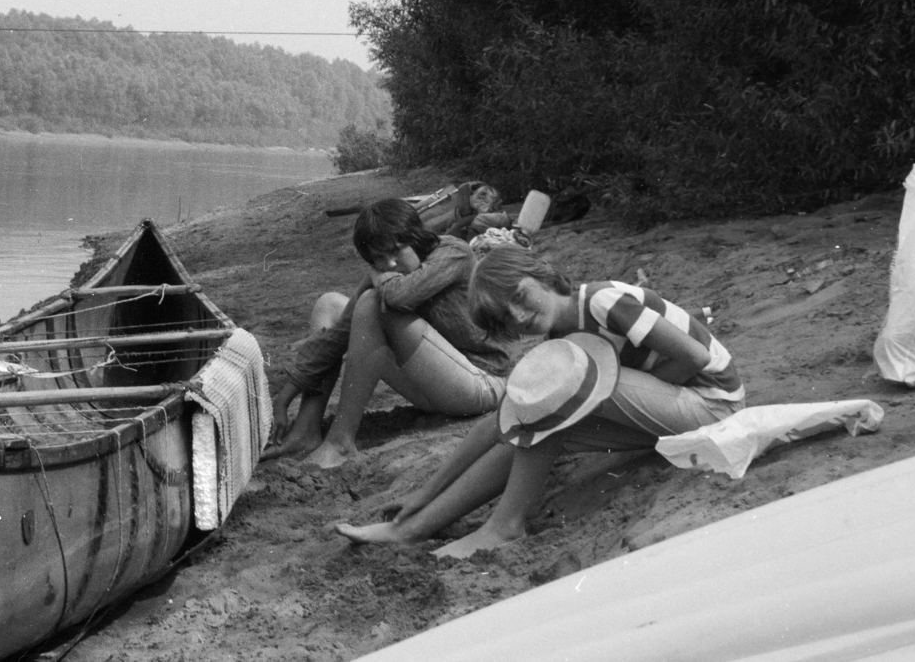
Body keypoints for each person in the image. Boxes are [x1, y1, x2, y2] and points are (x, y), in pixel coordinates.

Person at [337, 244, 744, 556]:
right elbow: (500, 422)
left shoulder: (602, 302)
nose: (517, 315)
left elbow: (695, 357)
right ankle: (414, 526)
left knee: (551, 402)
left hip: (710, 403)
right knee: (531, 415)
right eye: (504, 316)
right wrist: (424, 491)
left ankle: (505, 526)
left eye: (520, 296)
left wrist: (618, 392)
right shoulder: (560, 341)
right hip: (666, 411)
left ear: (544, 277)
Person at [262, 198, 521, 469]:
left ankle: (340, 442)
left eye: (397, 251)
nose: (391, 263)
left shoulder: (453, 252)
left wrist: (376, 275)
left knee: (371, 304)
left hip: (481, 384)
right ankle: (306, 428)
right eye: (379, 258)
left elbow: (399, 295)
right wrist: (285, 396)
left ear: (416, 237)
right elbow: (336, 337)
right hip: (435, 382)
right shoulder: (384, 272)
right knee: (329, 305)